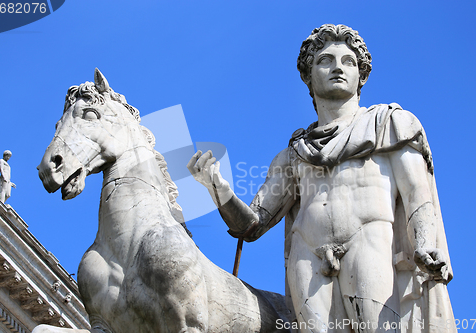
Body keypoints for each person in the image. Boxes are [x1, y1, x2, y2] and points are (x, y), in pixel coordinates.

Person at [188, 24, 455, 332]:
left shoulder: (390, 124)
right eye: (325, 60)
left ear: (362, 75)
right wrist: (217, 188)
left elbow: (416, 195)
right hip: (307, 255)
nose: (337, 68)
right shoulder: (293, 154)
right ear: (308, 76)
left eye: (348, 61)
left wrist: (424, 242)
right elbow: (251, 226)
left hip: (369, 243)